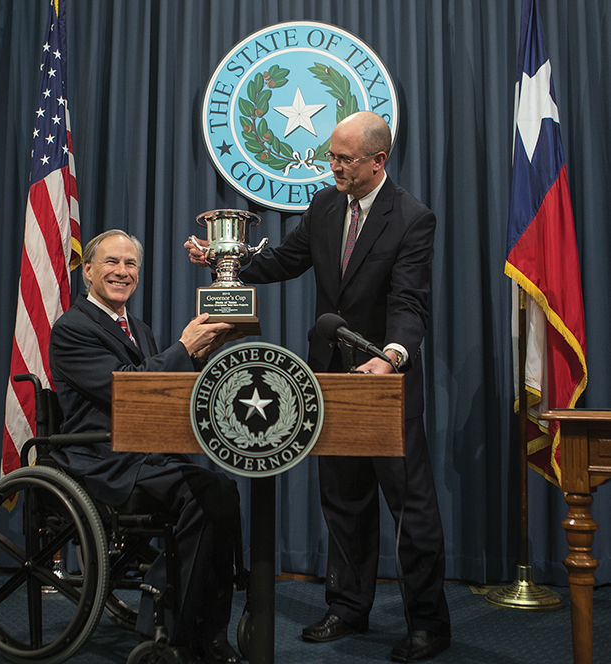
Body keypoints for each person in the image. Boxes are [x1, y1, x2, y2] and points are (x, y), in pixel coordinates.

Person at [185, 111, 450, 663]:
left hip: (383, 381)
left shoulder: (413, 218)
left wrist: (392, 357)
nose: (332, 167)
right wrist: (223, 261)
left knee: (410, 505)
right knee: (343, 499)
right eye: (330, 155)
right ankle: (348, 607)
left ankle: (428, 623)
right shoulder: (326, 205)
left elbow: (409, 302)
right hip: (328, 375)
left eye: (344, 159)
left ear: (378, 160)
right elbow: (285, 260)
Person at [50, 229, 243, 664]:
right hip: (104, 458)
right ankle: (166, 628)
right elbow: (125, 388)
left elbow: (165, 388)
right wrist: (182, 348)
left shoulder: (138, 327)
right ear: (90, 271)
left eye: (130, 264)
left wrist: (201, 353)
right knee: (208, 495)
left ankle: (211, 631)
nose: (122, 272)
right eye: (112, 263)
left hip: (149, 451)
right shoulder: (72, 328)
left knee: (224, 492)